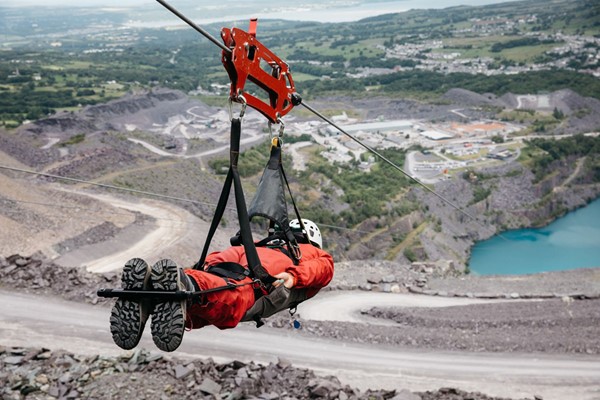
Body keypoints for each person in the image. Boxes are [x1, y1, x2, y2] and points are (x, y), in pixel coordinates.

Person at [109, 219, 334, 352]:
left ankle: (156, 294)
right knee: (230, 298)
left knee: (209, 288)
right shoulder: (310, 253)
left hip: (239, 261)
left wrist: (205, 268)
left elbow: (216, 258)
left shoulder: (260, 243)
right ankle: (184, 289)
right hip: (257, 283)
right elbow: (325, 267)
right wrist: (294, 277)